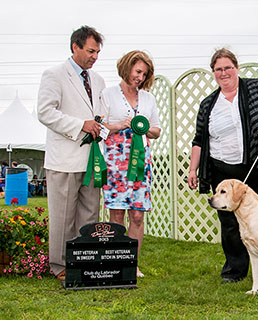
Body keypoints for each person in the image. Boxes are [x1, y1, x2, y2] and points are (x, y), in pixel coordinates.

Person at [188, 48, 258, 283]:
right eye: (218, 69)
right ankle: (234, 271)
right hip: (223, 169)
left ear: (237, 68)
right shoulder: (208, 104)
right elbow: (199, 140)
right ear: (213, 72)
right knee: (229, 221)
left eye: (228, 67)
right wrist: (193, 169)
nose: (223, 73)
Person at [37, 26, 105, 281]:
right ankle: (60, 266)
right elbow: (46, 112)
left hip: (92, 160)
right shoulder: (54, 75)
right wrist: (80, 125)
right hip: (63, 160)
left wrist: (101, 124)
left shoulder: (97, 80)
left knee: (89, 215)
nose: (94, 57)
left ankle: (84, 261)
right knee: (63, 218)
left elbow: (98, 114)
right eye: (90, 51)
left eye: (98, 52)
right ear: (75, 47)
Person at [100, 50, 161, 278]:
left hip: (141, 163)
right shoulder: (108, 95)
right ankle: (115, 260)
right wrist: (120, 124)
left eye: (144, 74)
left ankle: (132, 263)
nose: (140, 78)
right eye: (137, 71)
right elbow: (100, 127)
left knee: (137, 215)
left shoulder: (148, 99)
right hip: (115, 162)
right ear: (127, 68)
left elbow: (156, 129)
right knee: (117, 215)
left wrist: (144, 127)